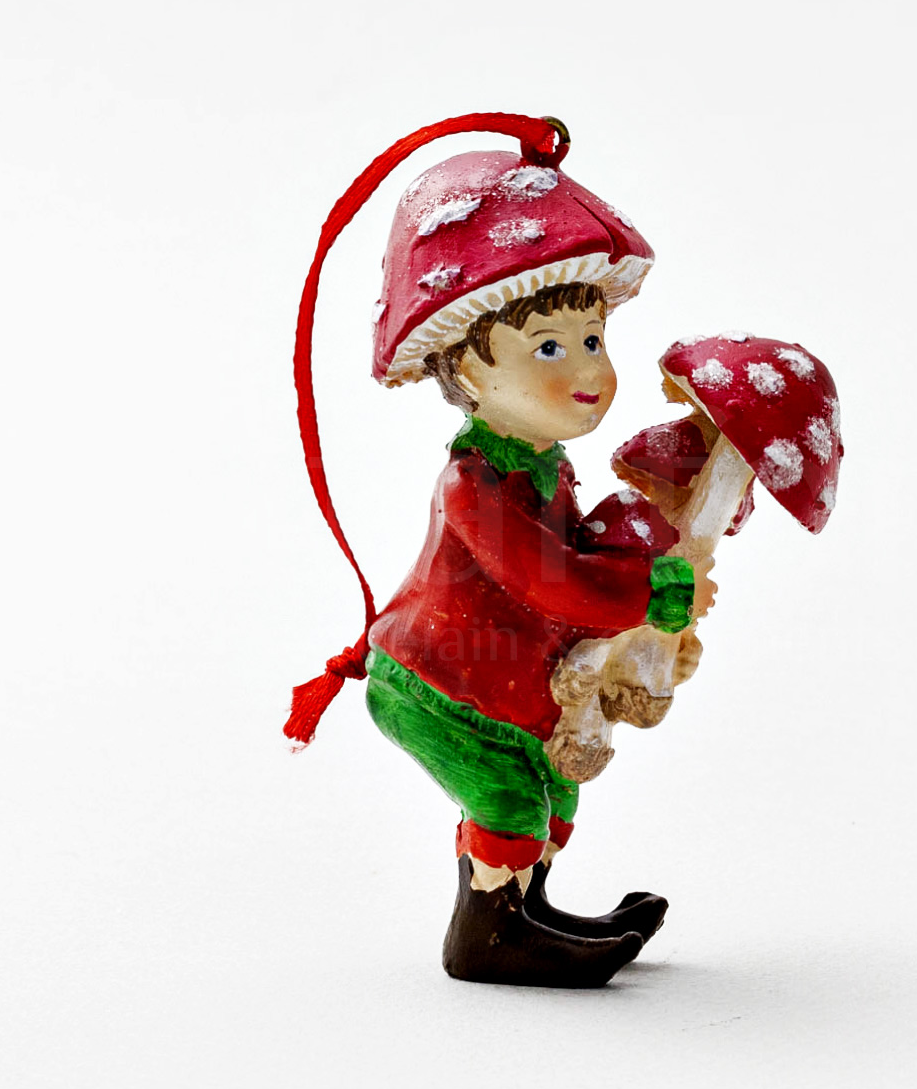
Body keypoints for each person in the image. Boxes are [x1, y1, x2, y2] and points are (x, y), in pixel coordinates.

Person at [286, 118, 701, 987]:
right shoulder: (475, 484)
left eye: (592, 341)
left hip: (504, 685)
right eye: (549, 348)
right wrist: (643, 593)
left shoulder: (545, 467)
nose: (588, 372)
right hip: (440, 684)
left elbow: (574, 552)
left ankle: (525, 909)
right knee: (508, 797)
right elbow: (551, 581)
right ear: (467, 369)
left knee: (554, 790)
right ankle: (486, 937)